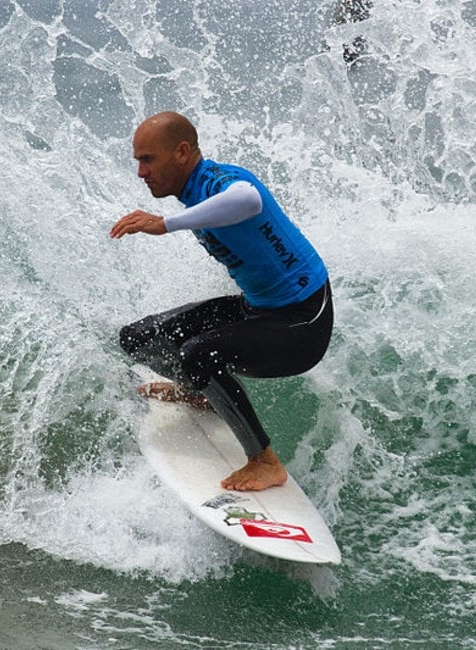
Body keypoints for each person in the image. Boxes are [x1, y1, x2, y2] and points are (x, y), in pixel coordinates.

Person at [110, 112, 333, 491]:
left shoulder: (218, 180)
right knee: (137, 337)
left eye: (148, 159)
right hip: (257, 311)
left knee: (198, 353)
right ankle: (203, 393)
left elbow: (248, 199)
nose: (141, 172)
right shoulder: (194, 191)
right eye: (138, 161)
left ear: (182, 152)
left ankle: (265, 461)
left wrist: (164, 224)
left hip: (301, 321)